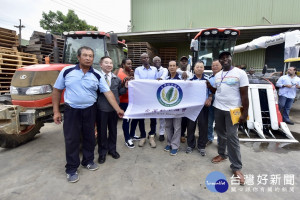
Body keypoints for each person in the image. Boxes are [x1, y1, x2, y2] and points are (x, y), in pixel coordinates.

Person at [52, 46, 124, 183]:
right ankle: (72, 168)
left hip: (90, 110)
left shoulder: (96, 74)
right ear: (78, 57)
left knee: (89, 137)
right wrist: (56, 111)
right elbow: (57, 90)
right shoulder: (67, 71)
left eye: (90, 56)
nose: (88, 58)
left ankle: (88, 161)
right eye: (85, 55)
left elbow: (108, 93)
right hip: (71, 110)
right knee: (72, 139)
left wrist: (117, 109)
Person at [207, 51, 249, 186]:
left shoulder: (240, 73)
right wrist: (210, 87)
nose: (225, 59)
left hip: (233, 110)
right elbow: (218, 91)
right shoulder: (218, 75)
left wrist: (245, 112)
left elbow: (244, 95)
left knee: (232, 137)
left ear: (231, 59)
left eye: (227, 57)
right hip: (218, 108)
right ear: (220, 61)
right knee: (220, 133)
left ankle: (236, 167)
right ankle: (222, 154)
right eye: (222, 58)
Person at [97, 56, 128, 164]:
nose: (109, 65)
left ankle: (112, 150)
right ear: (101, 64)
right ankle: (102, 153)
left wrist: (126, 87)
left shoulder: (116, 79)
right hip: (101, 109)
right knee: (102, 132)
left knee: (113, 130)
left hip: (114, 110)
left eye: (111, 63)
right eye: (106, 63)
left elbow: (120, 92)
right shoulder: (96, 77)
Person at [131, 53, 158, 148]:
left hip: (152, 97)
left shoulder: (154, 69)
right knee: (141, 117)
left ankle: (151, 135)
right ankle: (143, 136)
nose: (146, 59)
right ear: (141, 60)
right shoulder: (138, 70)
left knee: (153, 117)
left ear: (149, 59)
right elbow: (138, 83)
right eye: (143, 58)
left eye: (147, 57)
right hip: (141, 97)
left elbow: (157, 82)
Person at [186, 61, 212, 156]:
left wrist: (209, 99)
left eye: (201, 67)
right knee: (190, 126)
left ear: (203, 69)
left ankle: (201, 146)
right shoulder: (189, 80)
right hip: (192, 107)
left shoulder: (207, 79)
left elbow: (210, 92)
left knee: (203, 126)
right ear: (194, 68)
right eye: (197, 67)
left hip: (203, 107)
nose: (199, 68)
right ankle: (190, 145)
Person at [164, 60, 182, 156]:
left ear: (177, 67)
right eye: (170, 65)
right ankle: (169, 143)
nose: (172, 67)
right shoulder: (165, 79)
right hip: (168, 107)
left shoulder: (181, 79)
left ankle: (175, 146)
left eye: (173, 65)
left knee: (177, 127)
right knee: (168, 126)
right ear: (168, 67)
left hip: (178, 108)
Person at [117, 58, 135, 148]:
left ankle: (131, 135)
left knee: (130, 119)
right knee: (126, 121)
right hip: (124, 101)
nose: (130, 65)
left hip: (131, 101)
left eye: (131, 64)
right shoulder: (120, 75)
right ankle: (127, 139)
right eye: (128, 64)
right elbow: (120, 90)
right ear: (123, 65)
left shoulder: (130, 73)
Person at [177, 56, 193, 143]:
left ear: (187, 63)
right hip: (177, 99)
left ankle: (182, 134)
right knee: (176, 118)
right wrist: (181, 72)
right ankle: (176, 134)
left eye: (185, 61)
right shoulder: (176, 71)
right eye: (182, 61)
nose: (183, 62)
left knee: (184, 119)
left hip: (186, 99)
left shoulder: (190, 74)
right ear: (180, 62)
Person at [207, 59, 222, 145]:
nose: (215, 67)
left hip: (221, 105)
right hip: (211, 104)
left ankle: (220, 142)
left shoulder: (223, 77)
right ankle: (210, 138)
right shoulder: (209, 78)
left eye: (217, 65)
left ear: (221, 66)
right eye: (213, 65)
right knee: (209, 123)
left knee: (219, 125)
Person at [153, 56, 168, 141]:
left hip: (162, 94)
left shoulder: (164, 69)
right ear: (153, 62)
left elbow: (164, 76)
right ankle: (153, 131)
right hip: (153, 94)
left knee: (162, 115)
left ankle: (161, 133)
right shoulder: (151, 70)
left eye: (159, 60)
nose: (157, 61)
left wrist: (160, 79)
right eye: (155, 61)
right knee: (153, 114)